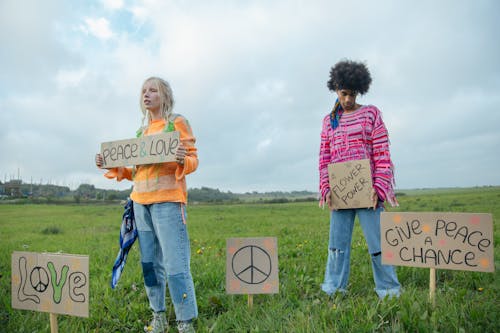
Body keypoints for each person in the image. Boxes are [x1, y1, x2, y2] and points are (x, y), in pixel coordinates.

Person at [96, 77, 198, 333]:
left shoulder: (177, 123)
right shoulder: (141, 133)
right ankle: (159, 316)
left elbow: (193, 160)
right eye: (144, 90)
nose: (147, 94)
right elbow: (136, 173)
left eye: (153, 90)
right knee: (149, 264)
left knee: (175, 264)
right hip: (140, 204)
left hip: (168, 203)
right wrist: (111, 165)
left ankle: (185, 320)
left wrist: (183, 159)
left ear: (165, 96)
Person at [318, 60, 401, 299]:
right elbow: (324, 157)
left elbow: (382, 152)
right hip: (340, 193)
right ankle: (333, 289)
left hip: (369, 193)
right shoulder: (328, 121)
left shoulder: (371, 114)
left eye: (352, 94)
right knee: (337, 247)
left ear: (360, 91)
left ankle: (389, 290)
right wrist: (326, 188)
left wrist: (380, 187)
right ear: (335, 89)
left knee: (378, 246)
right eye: (343, 94)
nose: (347, 100)